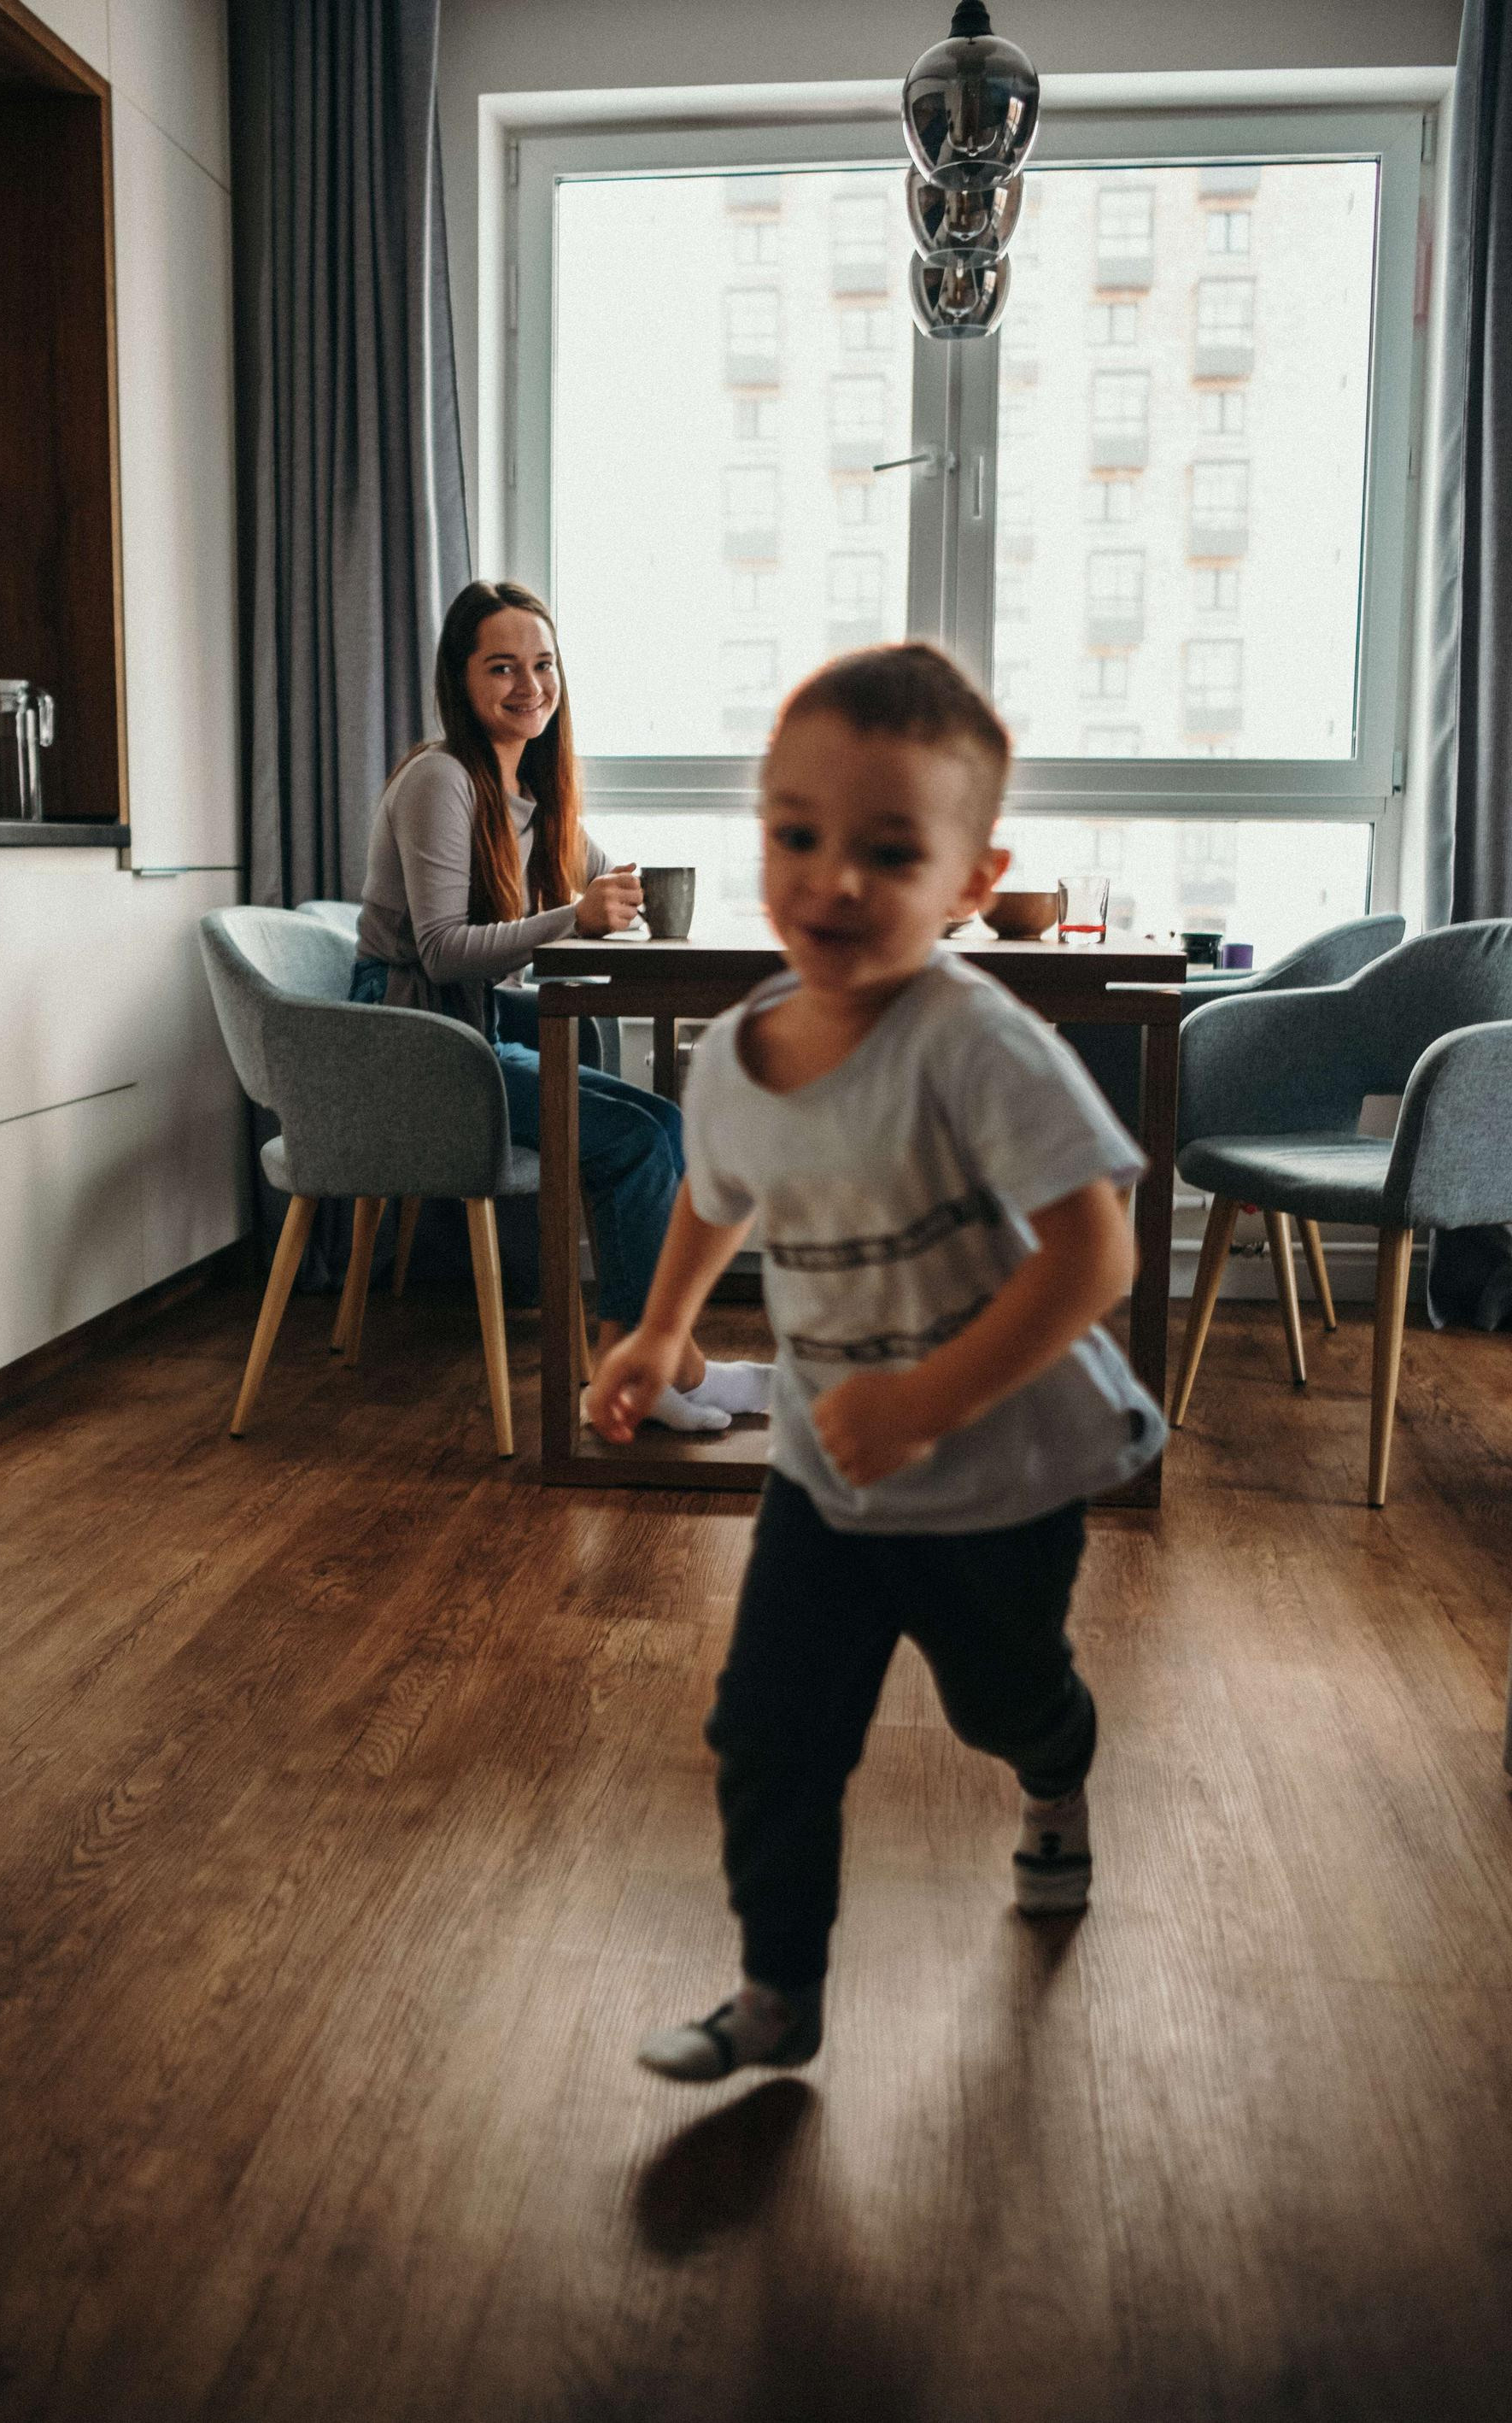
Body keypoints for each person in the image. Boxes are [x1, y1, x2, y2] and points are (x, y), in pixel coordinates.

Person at [585, 642, 1164, 2080]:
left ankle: (1055, 1770)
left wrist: (927, 1398)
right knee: (769, 1731)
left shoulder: (980, 1047)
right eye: (797, 835)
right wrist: (665, 1329)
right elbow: (718, 1194)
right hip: (824, 1479)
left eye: (888, 850)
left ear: (974, 878)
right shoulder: (735, 1053)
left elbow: (1096, 1258)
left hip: (995, 1477)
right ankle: (777, 1992)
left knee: (1000, 1698)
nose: (831, 878)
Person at [353, 578, 768, 1432]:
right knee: (627, 1140)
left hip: (466, 1036)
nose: (528, 686)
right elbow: (439, 948)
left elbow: (598, 883)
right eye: (501, 667)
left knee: (655, 1125)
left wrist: (631, 898)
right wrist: (572, 916)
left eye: (542, 665)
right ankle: (661, 1372)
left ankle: (644, 1368)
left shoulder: (532, 800)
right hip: (410, 1045)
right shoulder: (441, 780)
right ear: (459, 681)